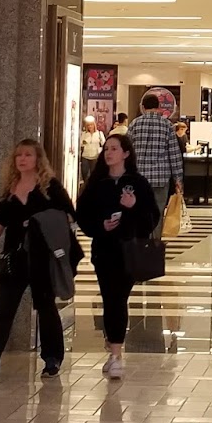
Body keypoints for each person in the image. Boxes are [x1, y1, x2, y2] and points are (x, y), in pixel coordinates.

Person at [0, 139, 76, 386]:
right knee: (3, 312)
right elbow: (0, 222)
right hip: (14, 258)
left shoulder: (50, 187)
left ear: (38, 159)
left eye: (28, 155)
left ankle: (52, 358)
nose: (22, 159)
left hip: (42, 258)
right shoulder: (11, 190)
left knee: (46, 307)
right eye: (18, 155)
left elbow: (69, 215)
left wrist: (42, 222)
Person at [75, 134, 159, 380]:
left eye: (114, 149)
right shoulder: (96, 184)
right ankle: (113, 344)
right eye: (106, 149)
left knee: (118, 299)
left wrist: (133, 207)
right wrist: (100, 225)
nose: (109, 153)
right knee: (109, 297)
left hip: (129, 251)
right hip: (104, 250)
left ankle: (116, 353)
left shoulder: (138, 183)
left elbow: (151, 219)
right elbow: (83, 216)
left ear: (126, 154)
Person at [127, 92, 184, 219]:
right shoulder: (167, 125)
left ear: (143, 107)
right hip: (160, 179)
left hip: (139, 178)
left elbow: (127, 151)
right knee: (157, 213)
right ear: (159, 107)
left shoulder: (134, 124)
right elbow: (174, 155)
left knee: (139, 213)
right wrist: (178, 180)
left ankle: (142, 232)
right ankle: (156, 233)